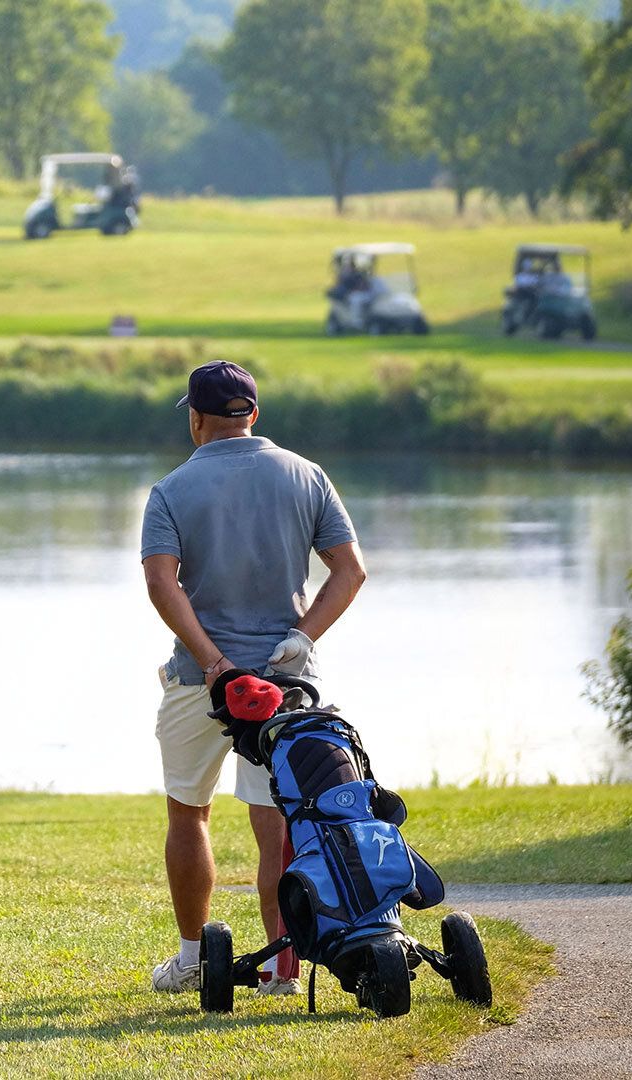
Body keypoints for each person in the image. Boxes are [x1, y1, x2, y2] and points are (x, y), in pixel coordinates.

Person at [140, 360, 367, 998]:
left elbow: (162, 583)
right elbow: (350, 572)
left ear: (195, 418)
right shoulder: (307, 475)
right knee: (279, 819)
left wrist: (213, 663)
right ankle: (280, 968)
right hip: (289, 683)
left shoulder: (171, 489)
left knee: (189, 813)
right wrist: (301, 639)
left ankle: (192, 956)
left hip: (198, 682)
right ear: (254, 414)